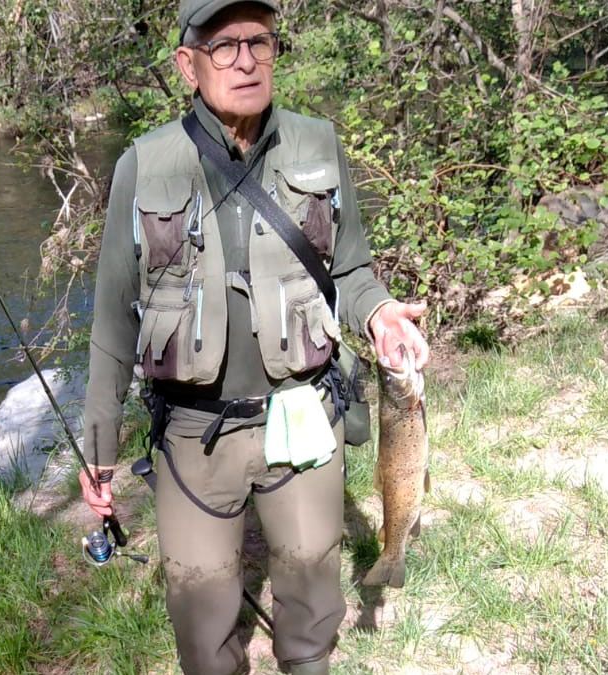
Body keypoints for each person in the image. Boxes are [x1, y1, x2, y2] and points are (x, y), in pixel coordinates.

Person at [79, 1, 429, 673]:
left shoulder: (316, 143)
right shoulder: (142, 166)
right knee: (203, 637)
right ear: (188, 64)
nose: (245, 60)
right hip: (190, 434)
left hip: (303, 414)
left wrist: (380, 311)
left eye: (259, 42)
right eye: (223, 46)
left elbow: (349, 269)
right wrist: (99, 448)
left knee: (311, 613)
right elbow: (113, 320)